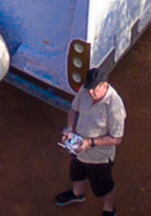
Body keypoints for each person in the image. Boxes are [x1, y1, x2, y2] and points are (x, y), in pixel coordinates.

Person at [54, 69, 126, 213]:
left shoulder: (114, 107)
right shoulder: (84, 91)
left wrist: (89, 143)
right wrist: (69, 130)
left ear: (105, 85)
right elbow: (74, 110)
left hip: (99, 158)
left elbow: (117, 138)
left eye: (95, 88)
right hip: (79, 149)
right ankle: (77, 194)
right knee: (76, 175)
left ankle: (109, 209)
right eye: (89, 88)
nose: (91, 92)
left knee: (103, 187)